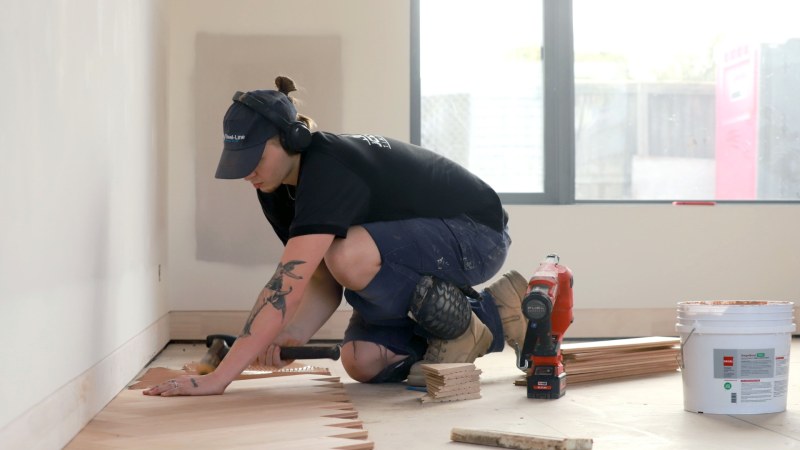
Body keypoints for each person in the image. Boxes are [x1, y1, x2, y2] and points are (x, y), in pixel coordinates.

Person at [144, 76, 529, 397]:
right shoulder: (275, 189)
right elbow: (321, 278)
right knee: (360, 360)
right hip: (419, 253)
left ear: (289, 139)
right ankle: (456, 334)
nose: (248, 173)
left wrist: (219, 379)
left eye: (255, 159)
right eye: (240, 163)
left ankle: (485, 317)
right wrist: (292, 336)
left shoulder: (329, 168)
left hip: (477, 235)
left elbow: (284, 286)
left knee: (348, 254)